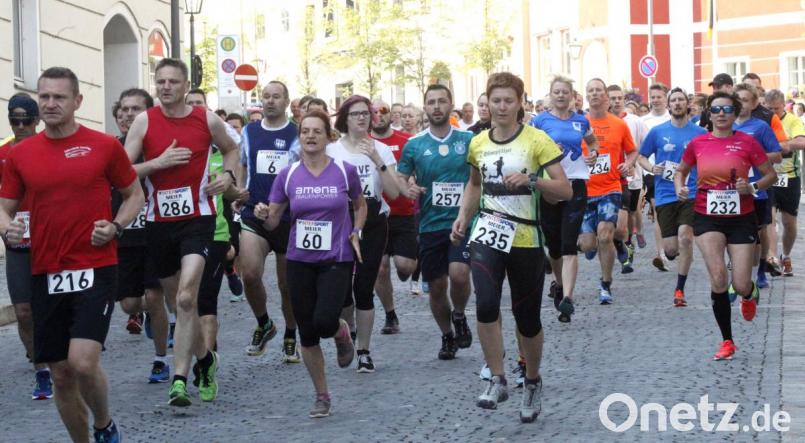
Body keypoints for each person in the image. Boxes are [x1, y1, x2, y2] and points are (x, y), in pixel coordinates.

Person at [0, 66, 144, 442]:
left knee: (82, 361)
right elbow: (3, 206)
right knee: (61, 373)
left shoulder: (103, 146)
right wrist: (7, 225)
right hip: (45, 268)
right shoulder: (21, 155)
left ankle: (104, 423)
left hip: (95, 266)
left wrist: (115, 226)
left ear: (77, 101)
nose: (49, 104)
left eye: (58, 97)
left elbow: (135, 195)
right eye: (44, 96)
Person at [452, 72, 571, 422]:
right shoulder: (478, 144)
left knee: (527, 318)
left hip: (526, 239)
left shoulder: (537, 141)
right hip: (487, 233)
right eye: (495, 101)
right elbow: (475, 185)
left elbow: (564, 190)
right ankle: (497, 378)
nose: (501, 107)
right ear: (487, 104)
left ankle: (532, 381)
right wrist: (463, 216)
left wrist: (533, 180)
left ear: (520, 103)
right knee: (486, 304)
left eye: (508, 100)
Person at [124, 58, 239, 407]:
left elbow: (232, 148)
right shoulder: (144, 122)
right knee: (178, 302)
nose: (166, 87)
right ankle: (206, 359)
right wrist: (155, 165)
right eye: (161, 81)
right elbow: (123, 170)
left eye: (173, 81)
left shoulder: (205, 119)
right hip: (159, 223)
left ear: (186, 86)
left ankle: (179, 378)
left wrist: (228, 177)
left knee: (188, 297)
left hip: (199, 218)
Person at [255, 110, 365, 418]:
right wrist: (265, 214)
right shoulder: (288, 175)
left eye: (317, 131)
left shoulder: (344, 171)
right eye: (305, 131)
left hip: (337, 257)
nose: (311, 136)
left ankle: (341, 332)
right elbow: (274, 220)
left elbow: (360, 205)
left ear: (328, 136)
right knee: (308, 332)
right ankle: (322, 394)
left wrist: (356, 231)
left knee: (324, 320)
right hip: (300, 260)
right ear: (299, 136)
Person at [674, 91, 776, 360]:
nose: (721, 114)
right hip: (707, 216)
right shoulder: (697, 143)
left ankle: (749, 293)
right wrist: (680, 188)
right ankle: (727, 341)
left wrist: (752, 186)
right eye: (716, 109)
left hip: (742, 216)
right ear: (708, 113)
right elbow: (681, 171)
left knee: (740, 284)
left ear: (735, 113)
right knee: (719, 277)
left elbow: (771, 175)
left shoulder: (747, 142)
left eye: (727, 109)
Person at [397, 84, 474, 360]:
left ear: (450, 104)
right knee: (438, 286)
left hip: (462, 221)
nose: (437, 106)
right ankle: (447, 335)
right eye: (432, 102)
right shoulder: (415, 144)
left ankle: (460, 313)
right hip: (430, 224)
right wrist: (409, 188)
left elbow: (478, 177)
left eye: (442, 101)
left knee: (459, 274)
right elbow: (400, 179)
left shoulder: (468, 139)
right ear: (425, 107)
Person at [329, 95, 400, 372]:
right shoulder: (332, 151)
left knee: (364, 288)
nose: (362, 118)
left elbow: (393, 193)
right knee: (343, 290)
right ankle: (350, 333)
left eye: (366, 113)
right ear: (345, 118)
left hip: (374, 222)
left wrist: (375, 159)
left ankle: (364, 352)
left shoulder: (381, 149)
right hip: (342, 223)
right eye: (356, 113)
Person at [236, 81, 302, 363]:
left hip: (288, 216)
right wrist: (239, 190)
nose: (270, 101)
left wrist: (279, 206)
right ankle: (264, 323)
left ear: (287, 101)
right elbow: (242, 163)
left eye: (276, 96)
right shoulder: (249, 132)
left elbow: (304, 173)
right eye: (266, 96)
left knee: (287, 285)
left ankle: (290, 333)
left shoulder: (297, 133)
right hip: (254, 213)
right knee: (249, 274)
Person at [112, 88, 172, 383]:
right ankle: (147, 313)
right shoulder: (110, 148)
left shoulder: (158, 146)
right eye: (123, 109)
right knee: (129, 304)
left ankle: (161, 359)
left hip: (154, 233)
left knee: (154, 295)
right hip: (124, 236)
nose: (127, 114)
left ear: (147, 114)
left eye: (135, 109)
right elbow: (114, 175)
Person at [530, 76, 599, 322]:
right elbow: (530, 150)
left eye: (564, 92)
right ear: (550, 95)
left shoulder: (581, 120)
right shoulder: (539, 121)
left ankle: (568, 297)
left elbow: (592, 143)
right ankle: (559, 284)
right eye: (556, 92)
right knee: (554, 245)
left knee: (570, 244)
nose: (560, 96)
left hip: (576, 183)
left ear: (571, 96)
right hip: (549, 186)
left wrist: (593, 154)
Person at [0, 93, 54, 400]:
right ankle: (41, 370)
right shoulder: (3, 153)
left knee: (51, 306)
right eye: (14, 119)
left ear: (37, 121)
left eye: (25, 120)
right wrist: (6, 227)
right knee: (23, 311)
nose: (19, 126)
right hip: (18, 241)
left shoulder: (49, 147)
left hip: (53, 239)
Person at [638, 87, 707, 306]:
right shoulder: (658, 131)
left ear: (687, 105)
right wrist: (651, 167)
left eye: (681, 100)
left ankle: (679, 289)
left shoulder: (700, 134)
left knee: (686, 237)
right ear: (669, 106)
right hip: (665, 194)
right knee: (671, 249)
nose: (677, 103)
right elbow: (641, 156)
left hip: (691, 192)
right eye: (673, 100)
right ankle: (672, 255)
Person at [578, 78, 637, 304]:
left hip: (610, 188)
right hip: (584, 190)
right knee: (587, 245)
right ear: (586, 95)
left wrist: (628, 164)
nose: (594, 94)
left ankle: (605, 284)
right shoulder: (580, 124)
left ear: (605, 96)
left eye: (598, 91)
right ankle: (602, 245)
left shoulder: (619, 125)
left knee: (605, 234)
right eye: (590, 90)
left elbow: (632, 151)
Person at [370, 99, 417, 334]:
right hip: (377, 215)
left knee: (405, 266)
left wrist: (414, 184)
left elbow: (417, 171)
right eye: (374, 111)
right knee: (380, 268)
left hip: (404, 214)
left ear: (392, 115)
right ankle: (390, 315)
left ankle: (405, 268)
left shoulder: (406, 141)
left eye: (383, 110)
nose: (379, 114)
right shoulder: (363, 144)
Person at [732, 83, 782, 290]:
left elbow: (777, 156)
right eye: (737, 100)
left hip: (758, 188)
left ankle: (760, 270)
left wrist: (753, 157)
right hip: (732, 190)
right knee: (735, 233)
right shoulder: (725, 126)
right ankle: (739, 274)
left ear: (753, 104)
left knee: (760, 233)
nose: (741, 104)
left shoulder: (760, 127)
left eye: (745, 100)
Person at [765, 89, 805, 276]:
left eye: (777, 109)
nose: (773, 112)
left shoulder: (793, 120)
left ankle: (786, 255)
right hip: (769, 177)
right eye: (770, 108)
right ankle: (772, 257)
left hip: (789, 177)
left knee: (789, 223)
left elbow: (802, 142)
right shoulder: (763, 121)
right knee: (770, 219)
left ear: (784, 105)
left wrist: (783, 144)